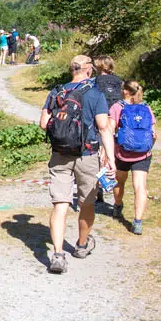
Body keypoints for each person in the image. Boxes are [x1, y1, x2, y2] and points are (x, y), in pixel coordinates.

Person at [38, 55, 116, 274]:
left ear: (71, 70)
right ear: (89, 71)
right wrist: (110, 158)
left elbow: (43, 123)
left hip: (60, 154)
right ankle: (82, 245)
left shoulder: (56, 92)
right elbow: (104, 127)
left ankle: (58, 255)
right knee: (86, 203)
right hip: (87, 155)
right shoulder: (95, 93)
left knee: (60, 204)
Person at [109, 79, 156, 236]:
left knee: (119, 182)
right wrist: (147, 148)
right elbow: (154, 134)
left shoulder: (117, 107)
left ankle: (117, 206)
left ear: (125, 91)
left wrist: (107, 152)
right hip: (143, 155)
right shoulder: (146, 107)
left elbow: (109, 131)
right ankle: (137, 222)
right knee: (140, 186)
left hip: (122, 154)